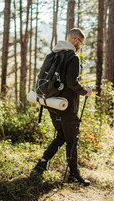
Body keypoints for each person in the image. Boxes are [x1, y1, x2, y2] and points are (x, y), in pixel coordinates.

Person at [32, 28, 92, 186]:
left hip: (52, 103)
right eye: (81, 43)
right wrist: (85, 91)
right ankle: (74, 175)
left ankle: (41, 164)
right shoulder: (73, 57)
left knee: (61, 136)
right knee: (72, 140)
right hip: (67, 106)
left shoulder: (52, 54)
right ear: (75, 41)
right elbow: (72, 82)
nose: (80, 46)